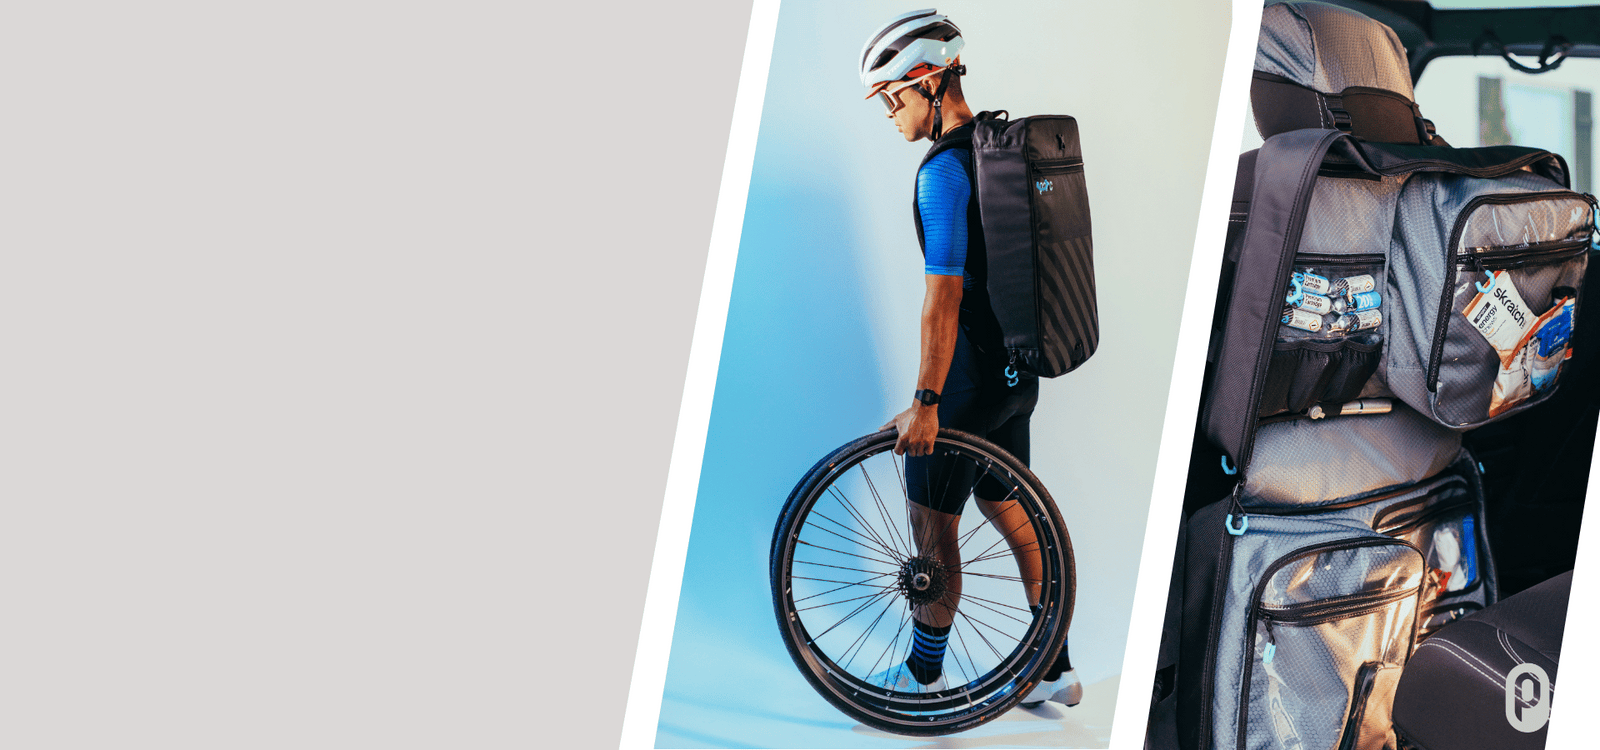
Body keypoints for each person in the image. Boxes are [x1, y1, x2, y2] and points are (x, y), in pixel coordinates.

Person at [858, 9, 1081, 709]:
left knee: (931, 533)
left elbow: (942, 302)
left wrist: (926, 404)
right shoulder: (1001, 151)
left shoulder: (943, 175)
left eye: (891, 96)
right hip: (1016, 380)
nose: (889, 114)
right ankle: (1056, 671)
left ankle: (924, 678)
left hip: (961, 390)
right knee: (1016, 515)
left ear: (925, 80)